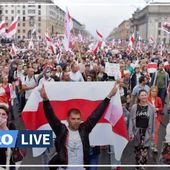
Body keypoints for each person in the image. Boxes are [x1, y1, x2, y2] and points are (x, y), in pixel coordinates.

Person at [39, 84, 118, 169]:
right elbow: (51, 116)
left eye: (78, 119)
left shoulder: (85, 129)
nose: (76, 121)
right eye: (73, 119)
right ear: (68, 119)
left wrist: (109, 96)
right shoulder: (61, 130)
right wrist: (45, 99)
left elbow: (97, 114)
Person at [129, 90, 155, 169]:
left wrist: (152, 134)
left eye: (145, 95)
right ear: (139, 97)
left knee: (144, 153)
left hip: (146, 132)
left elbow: (153, 122)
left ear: (147, 96)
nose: (144, 97)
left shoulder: (151, 107)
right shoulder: (134, 107)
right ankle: (137, 167)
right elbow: (130, 120)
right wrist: (130, 133)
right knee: (137, 153)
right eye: (142, 95)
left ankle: (142, 166)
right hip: (137, 133)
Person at [148, 86, 163, 153]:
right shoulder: (147, 99)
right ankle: (149, 144)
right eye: (153, 91)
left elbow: (161, 108)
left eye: (155, 91)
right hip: (148, 118)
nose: (154, 93)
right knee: (149, 132)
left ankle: (154, 146)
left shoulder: (158, 99)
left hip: (157, 118)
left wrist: (157, 109)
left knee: (155, 132)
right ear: (150, 92)